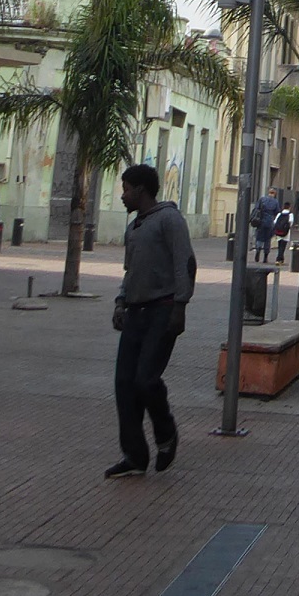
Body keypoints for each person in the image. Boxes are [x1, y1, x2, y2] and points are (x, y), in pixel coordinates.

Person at [106, 163, 196, 480]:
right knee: (124, 383)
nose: (122, 196)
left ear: (141, 189)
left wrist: (180, 306)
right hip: (135, 312)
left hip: (162, 310)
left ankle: (166, 432)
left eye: (126, 189)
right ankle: (134, 455)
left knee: (145, 379)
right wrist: (121, 301)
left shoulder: (170, 220)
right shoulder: (134, 227)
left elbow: (185, 263)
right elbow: (130, 272)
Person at [253, 185, 281, 264]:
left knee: (259, 237)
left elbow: (256, 208)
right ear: (274, 194)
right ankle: (265, 256)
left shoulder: (262, 199)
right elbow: (277, 211)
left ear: (268, 192)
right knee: (267, 239)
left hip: (261, 221)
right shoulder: (275, 202)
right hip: (269, 222)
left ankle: (258, 249)